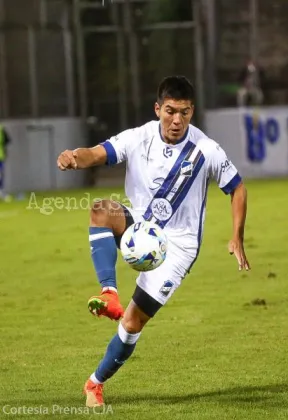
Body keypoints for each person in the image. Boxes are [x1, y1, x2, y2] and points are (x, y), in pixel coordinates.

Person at [56, 76, 251, 407]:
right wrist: (75, 156)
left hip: (177, 246)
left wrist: (237, 236)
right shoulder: (139, 138)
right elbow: (97, 153)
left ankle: (95, 383)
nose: (177, 121)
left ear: (192, 112)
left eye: (185, 113)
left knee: (133, 322)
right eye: (171, 111)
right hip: (141, 227)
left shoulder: (206, 150)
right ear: (158, 108)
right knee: (102, 210)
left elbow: (237, 188)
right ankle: (109, 294)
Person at [0, 123, 11, 200]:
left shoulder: (1, 129)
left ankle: (1, 192)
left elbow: (7, 140)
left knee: (1, 175)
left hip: (1, 156)